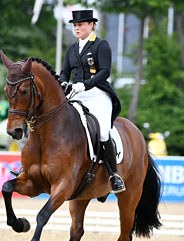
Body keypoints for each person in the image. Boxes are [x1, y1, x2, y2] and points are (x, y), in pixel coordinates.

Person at [59, 9, 125, 194]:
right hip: (77, 93)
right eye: (75, 25)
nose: (77, 28)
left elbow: (105, 71)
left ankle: (114, 175)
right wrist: (63, 82)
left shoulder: (100, 45)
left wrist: (85, 84)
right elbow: (65, 71)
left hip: (98, 93)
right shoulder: (72, 48)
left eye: (80, 25)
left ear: (91, 25)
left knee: (103, 132)